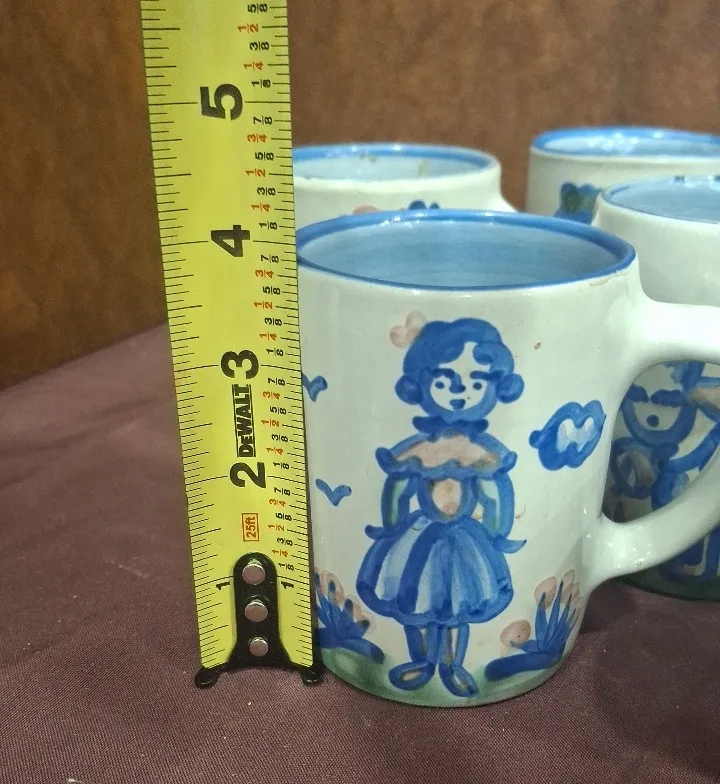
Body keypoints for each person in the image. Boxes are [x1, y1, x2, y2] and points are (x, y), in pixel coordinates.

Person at [356, 316, 525, 697]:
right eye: (444, 382)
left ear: (497, 387)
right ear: (421, 385)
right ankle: (420, 660)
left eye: (477, 383)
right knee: (413, 599)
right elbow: (398, 489)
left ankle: (450, 663)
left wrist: (497, 532)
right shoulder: (419, 450)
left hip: (465, 540)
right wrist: (390, 526)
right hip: (419, 537)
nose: (460, 392)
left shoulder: (480, 453)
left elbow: (495, 493)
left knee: (456, 607)